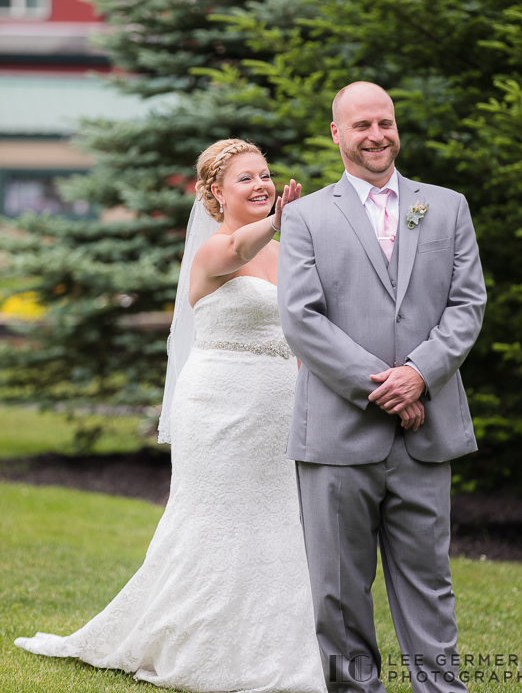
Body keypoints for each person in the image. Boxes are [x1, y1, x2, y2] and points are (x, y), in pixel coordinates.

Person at [16, 138, 326, 693]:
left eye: (266, 175)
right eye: (246, 179)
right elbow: (237, 254)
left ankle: (279, 649)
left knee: (277, 522)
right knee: (215, 521)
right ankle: (196, 642)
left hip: (280, 404)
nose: (261, 185)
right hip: (220, 406)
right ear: (215, 193)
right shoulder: (214, 251)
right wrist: (280, 217)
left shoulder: (284, 251)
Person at [277, 82, 487, 693]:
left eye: (386, 123)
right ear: (336, 134)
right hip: (338, 432)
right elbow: (301, 318)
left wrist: (419, 374)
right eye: (362, 125)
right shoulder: (307, 216)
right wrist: (385, 389)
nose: (377, 136)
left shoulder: (447, 207)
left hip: (428, 432)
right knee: (339, 592)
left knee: (430, 583)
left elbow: (467, 304)